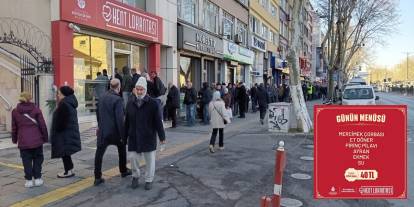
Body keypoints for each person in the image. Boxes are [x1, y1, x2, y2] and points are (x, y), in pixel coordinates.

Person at [125, 77, 166, 190]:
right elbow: (127, 122)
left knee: (150, 161)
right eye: (137, 89)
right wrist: (124, 137)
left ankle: (149, 179)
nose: (139, 92)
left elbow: (158, 122)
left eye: (141, 89)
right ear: (134, 89)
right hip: (134, 137)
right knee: (133, 158)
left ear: (145, 90)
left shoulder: (153, 104)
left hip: (148, 137)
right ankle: (135, 176)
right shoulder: (130, 103)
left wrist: (162, 137)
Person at [94, 79, 132, 186]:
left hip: (103, 131)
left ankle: (97, 177)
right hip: (115, 132)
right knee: (121, 149)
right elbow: (120, 119)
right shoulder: (118, 100)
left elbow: (97, 113)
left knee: (99, 153)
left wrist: (99, 125)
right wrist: (123, 135)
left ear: (110, 86)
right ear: (119, 87)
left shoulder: (102, 97)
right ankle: (123, 171)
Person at [12, 92, 48, 188]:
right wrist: (45, 138)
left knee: (26, 160)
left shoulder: (15, 111)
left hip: (23, 141)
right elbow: (42, 125)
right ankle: (37, 179)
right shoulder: (36, 109)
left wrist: (15, 139)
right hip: (36, 140)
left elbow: (14, 127)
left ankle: (28, 180)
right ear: (30, 99)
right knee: (38, 159)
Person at [51, 86, 81, 178]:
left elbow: (61, 121)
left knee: (64, 152)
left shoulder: (64, 104)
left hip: (64, 133)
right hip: (68, 132)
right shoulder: (70, 102)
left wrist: (57, 129)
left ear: (64, 94)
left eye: (59, 93)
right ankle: (70, 169)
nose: (58, 95)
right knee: (66, 152)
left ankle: (68, 171)